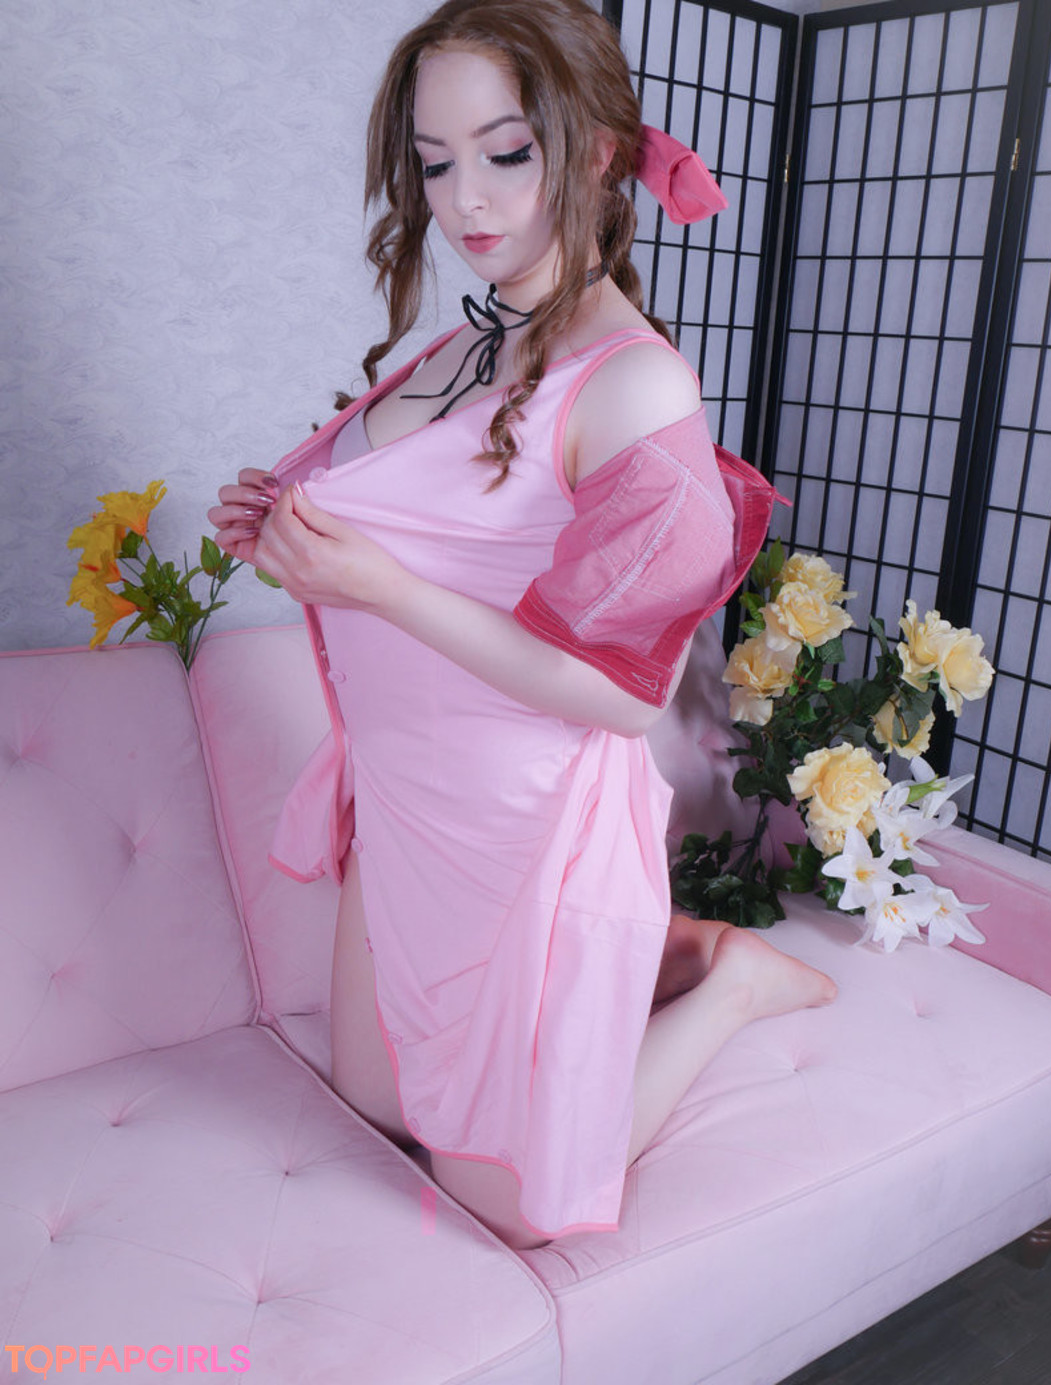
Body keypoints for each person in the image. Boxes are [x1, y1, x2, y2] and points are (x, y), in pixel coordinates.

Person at [208, 0, 835, 1251]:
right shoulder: (455, 348)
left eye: (505, 153)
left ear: (595, 152)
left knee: (512, 1205)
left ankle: (732, 985)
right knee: (371, 1103)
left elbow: (623, 694)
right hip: (406, 797)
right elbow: (421, 541)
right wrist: (286, 534)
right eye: (435, 162)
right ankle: (656, 959)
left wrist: (377, 585)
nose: (466, 201)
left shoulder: (634, 384)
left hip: (523, 814)